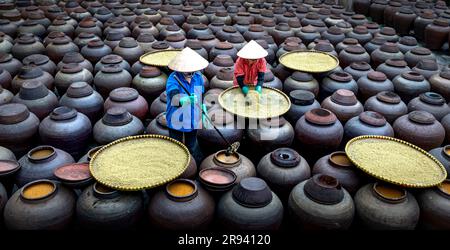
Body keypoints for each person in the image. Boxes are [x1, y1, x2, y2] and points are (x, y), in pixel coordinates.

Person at [166, 47, 209, 164]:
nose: (190, 73)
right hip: (177, 118)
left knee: (192, 146)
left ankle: (193, 166)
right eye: (187, 71)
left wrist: (203, 109)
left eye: (192, 70)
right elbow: (175, 100)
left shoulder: (198, 77)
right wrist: (186, 100)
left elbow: (200, 95)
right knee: (176, 147)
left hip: (193, 117)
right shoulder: (173, 79)